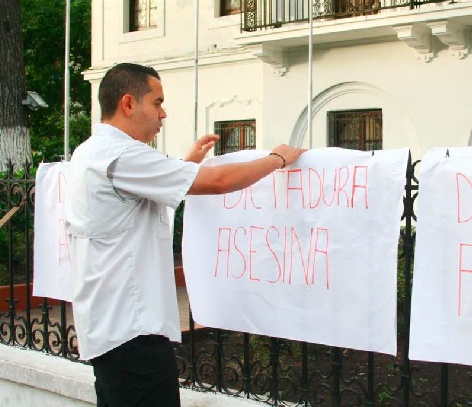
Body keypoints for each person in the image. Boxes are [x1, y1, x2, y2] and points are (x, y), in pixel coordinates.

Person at [64, 62, 305, 406]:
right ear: (128, 103)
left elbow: (137, 209)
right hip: (133, 335)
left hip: (110, 330)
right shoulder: (120, 155)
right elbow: (219, 182)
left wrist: (186, 164)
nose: (163, 114)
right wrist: (278, 158)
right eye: (157, 102)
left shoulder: (90, 152)